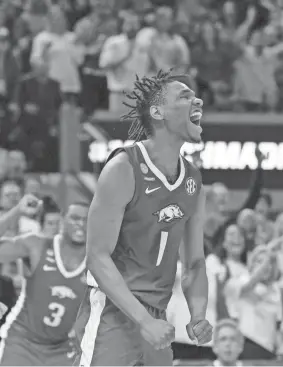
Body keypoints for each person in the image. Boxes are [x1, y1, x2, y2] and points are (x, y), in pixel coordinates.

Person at [75, 70, 212, 366]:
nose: (197, 100)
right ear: (157, 112)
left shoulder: (193, 181)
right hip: (115, 312)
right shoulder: (124, 167)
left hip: (158, 319)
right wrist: (142, 320)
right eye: (184, 96)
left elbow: (195, 263)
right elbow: (97, 256)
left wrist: (198, 315)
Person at [0, 202, 88, 366]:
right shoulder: (37, 245)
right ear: (62, 219)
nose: (81, 224)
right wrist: (17, 211)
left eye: (87, 219)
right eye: (75, 218)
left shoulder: (97, 262)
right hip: (21, 342)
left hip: (62, 350)